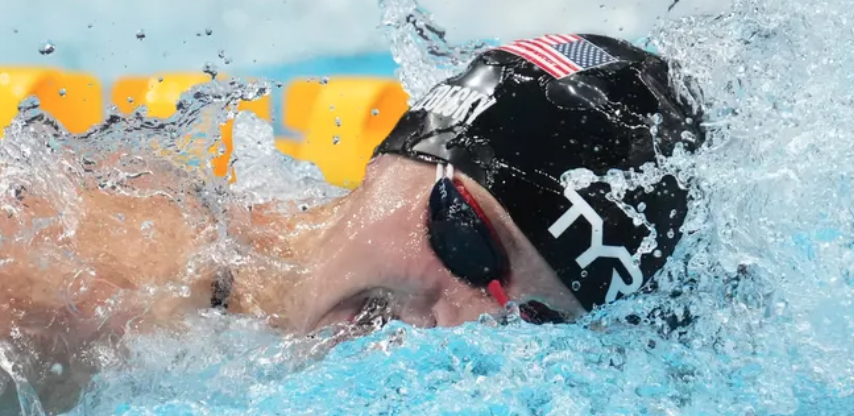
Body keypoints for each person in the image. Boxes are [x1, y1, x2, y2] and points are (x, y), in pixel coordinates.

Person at [0, 33, 703, 413]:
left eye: (532, 323)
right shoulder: (86, 275)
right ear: (399, 150)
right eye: (466, 239)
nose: (452, 327)